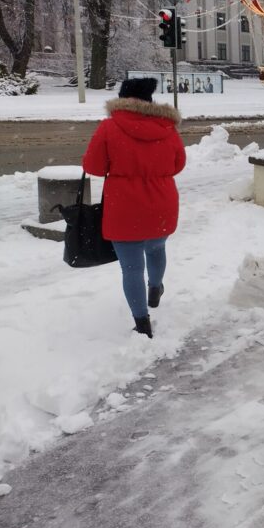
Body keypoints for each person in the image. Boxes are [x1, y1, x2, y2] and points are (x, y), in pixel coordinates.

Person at [82, 78, 185, 339]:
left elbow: (93, 167)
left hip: (124, 207)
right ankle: (156, 288)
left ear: (122, 99)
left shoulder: (109, 127)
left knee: (131, 267)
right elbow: (178, 165)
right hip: (162, 204)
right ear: (149, 101)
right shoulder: (168, 127)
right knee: (157, 248)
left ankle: (142, 322)